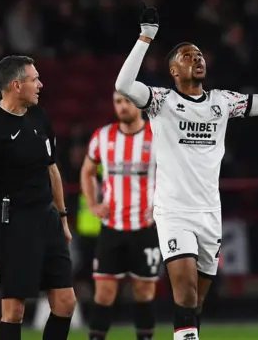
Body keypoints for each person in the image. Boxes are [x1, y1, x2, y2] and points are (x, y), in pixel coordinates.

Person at [115, 4, 258, 340]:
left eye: (199, 54)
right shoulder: (160, 101)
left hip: (210, 213)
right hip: (174, 212)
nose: (197, 58)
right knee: (186, 293)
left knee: (195, 305)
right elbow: (123, 84)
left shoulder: (222, 101)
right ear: (173, 71)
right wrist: (145, 38)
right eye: (187, 55)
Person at [0, 55, 75, 340]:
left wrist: (63, 217)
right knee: (14, 311)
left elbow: (52, 169)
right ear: (16, 85)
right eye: (34, 79)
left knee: (66, 303)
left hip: (48, 220)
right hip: (14, 225)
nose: (40, 84)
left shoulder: (39, 116)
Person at [81, 91, 160, 340]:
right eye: (117, 101)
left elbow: (175, 175)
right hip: (112, 227)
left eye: (127, 101)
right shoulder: (102, 137)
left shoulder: (157, 136)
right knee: (103, 293)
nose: (122, 107)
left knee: (144, 292)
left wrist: (161, 205)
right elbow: (87, 171)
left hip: (145, 227)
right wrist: (93, 204)